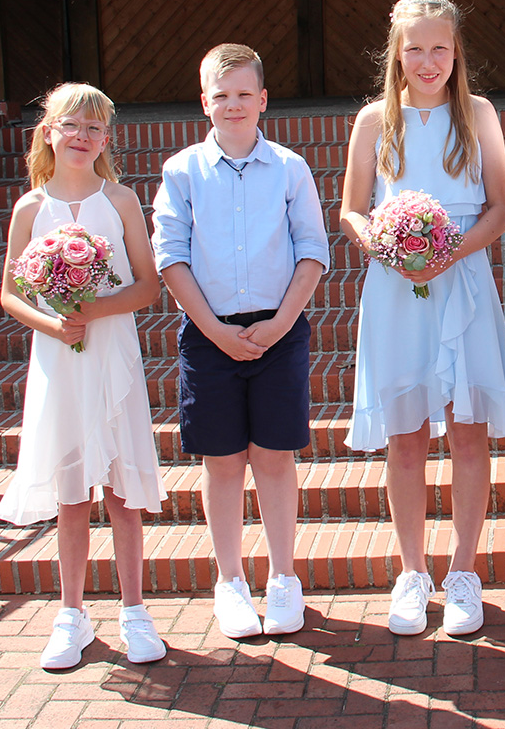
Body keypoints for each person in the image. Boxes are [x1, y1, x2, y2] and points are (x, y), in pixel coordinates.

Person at [339, 0, 505, 636]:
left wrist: (450, 252)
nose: (428, 61)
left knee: (467, 431)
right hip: (396, 288)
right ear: (397, 53)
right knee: (406, 436)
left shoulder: (478, 113)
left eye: (439, 49)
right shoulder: (374, 121)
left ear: (455, 52)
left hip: (462, 279)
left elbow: (502, 207)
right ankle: (413, 573)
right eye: (415, 49)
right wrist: (387, 246)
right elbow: (351, 210)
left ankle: (464, 573)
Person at [152, 44, 330, 640]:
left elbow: (312, 250)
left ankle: (283, 578)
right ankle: (230, 581)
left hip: (279, 330)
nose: (233, 104)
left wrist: (280, 324)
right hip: (210, 335)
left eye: (244, 94)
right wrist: (213, 330)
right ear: (204, 102)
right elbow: (171, 256)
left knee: (274, 458)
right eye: (221, 95)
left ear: (263, 100)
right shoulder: (182, 171)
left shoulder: (290, 168)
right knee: (223, 461)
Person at [0, 82, 167, 669]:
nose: (82, 136)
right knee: (72, 495)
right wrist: (55, 323)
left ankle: (134, 610)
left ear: (106, 139)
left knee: (122, 494)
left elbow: (148, 285)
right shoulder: (30, 208)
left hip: (111, 353)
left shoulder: (119, 200)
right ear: (49, 132)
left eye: (94, 128)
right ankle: (71, 614)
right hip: (60, 359)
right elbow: (10, 293)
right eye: (71, 125)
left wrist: (95, 308)